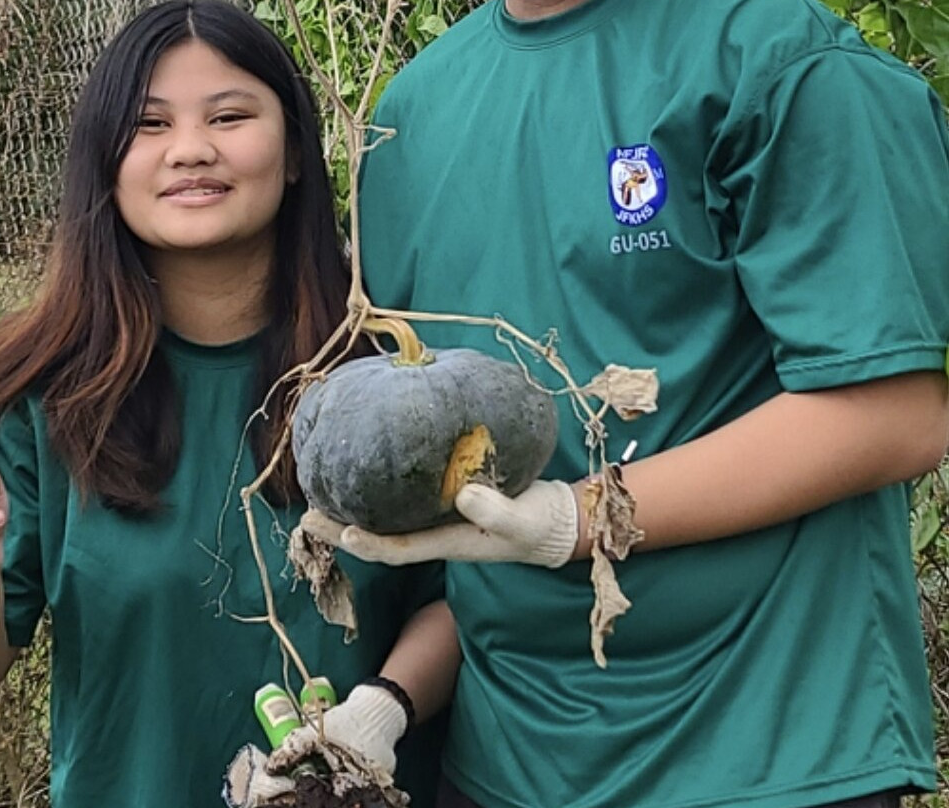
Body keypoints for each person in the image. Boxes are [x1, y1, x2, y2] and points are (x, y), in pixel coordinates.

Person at [297, 0, 949, 807]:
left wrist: (579, 518)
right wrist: (385, 703)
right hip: (509, 760)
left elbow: (894, 415)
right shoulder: (410, 115)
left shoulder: (776, 55)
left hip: (765, 743)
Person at [0, 2, 458, 806]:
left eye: (229, 115)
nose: (191, 149)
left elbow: (462, 604)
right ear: (104, 161)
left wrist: (378, 713)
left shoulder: (385, 371)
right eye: (148, 124)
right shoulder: (32, 391)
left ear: (295, 150)